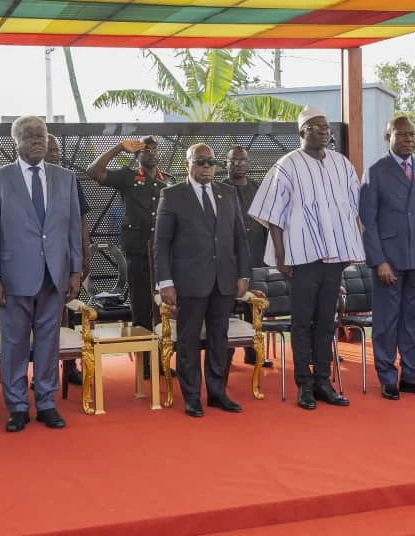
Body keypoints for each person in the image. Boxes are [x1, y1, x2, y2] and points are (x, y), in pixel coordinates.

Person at [249, 105, 360, 410]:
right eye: (316, 127)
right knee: (302, 322)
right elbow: (271, 214)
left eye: (326, 128)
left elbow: (354, 208)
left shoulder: (342, 164)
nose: (323, 132)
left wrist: (352, 247)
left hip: (334, 256)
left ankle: (324, 381)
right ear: (302, 132)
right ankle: (304, 384)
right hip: (301, 257)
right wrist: (281, 255)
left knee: (326, 322)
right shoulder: (286, 165)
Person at [0, 116, 82, 433]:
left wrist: (76, 270)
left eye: (42, 134)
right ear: (16, 141)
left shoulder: (65, 178)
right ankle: (17, 407)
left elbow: (74, 228)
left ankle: (47, 403)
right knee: (14, 344)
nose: (38, 140)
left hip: (55, 276)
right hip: (12, 279)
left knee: (49, 343)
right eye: (29, 135)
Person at [154, 144, 251, 417]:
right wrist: (165, 283)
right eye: (201, 161)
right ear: (188, 164)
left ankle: (218, 393)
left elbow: (239, 238)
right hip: (189, 281)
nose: (207, 166)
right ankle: (192, 396)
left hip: (224, 280)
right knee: (188, 340)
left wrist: (243, 274)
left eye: (211, 161)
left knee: (219, 337)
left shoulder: (228, 193)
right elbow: (161, 244)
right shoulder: (172, 195)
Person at [359, 116, 415, 401]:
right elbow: (367, 221)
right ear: (389, 137)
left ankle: (411, 376)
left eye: (412, 135)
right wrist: (378, 260)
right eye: (403, 135)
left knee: (412, 321)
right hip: (389, 261)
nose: (409, 139)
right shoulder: (376, 171)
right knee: (386, 322)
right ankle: (386, 377)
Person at [87, 136, 172, 378]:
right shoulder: (128, 177)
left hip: (164, 255)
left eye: (155, 149)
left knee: (165, 308)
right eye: (146, 150)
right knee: (143, 307)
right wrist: (118, 148)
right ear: (137, 155)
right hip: (138, 253)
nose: (152, 153)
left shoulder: (169, 182)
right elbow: (95, 172)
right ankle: (146, 364)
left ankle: (163, 359)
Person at [45, 134, 91, 386]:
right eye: (50, 150)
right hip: (39, 263)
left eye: (57, 150)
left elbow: (80, 220)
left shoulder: (68, 179)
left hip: (65, 260)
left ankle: (69, 366)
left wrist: (84, 254)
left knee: (65, 313)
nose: (54, 154)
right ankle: (44, 370)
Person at [225, 146, 272, 368]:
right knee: (228, 307)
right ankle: (225, 356)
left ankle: (254, 353)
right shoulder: (220, 188)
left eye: (242, 161)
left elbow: (266, 220)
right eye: (234, 160)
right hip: (230, 260)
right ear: (226, 163)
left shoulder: (256, 187)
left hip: (256, 254)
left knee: (254, 306)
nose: (238, 164)